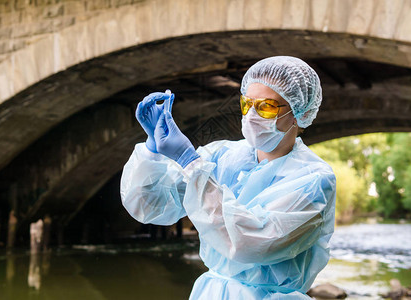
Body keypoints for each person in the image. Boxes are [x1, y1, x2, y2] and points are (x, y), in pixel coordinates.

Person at [120, 56, 336, 299]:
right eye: (247, 104)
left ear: (300, 112)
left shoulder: (314, 180)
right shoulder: (222, 155)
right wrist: (152, 152)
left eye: (266, 106)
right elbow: (149, 206)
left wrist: (191, 165)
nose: (252, 115)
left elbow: (249, 243)